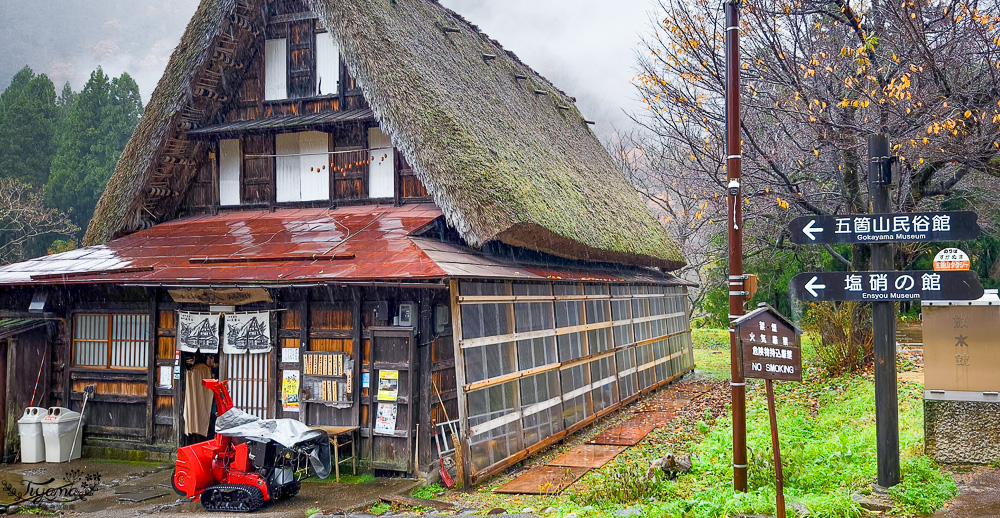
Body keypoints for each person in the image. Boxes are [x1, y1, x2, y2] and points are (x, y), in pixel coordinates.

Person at [184, 354, 214, 443]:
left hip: (192, 401)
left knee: (193, 415)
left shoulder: (191, 371)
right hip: (205, 405)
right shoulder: (204, 369)